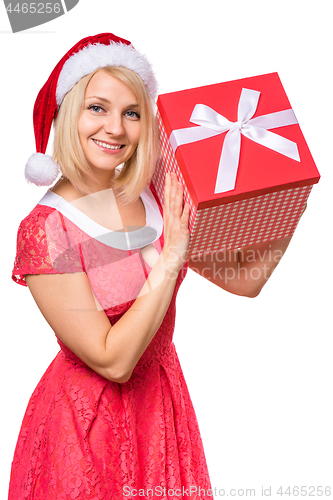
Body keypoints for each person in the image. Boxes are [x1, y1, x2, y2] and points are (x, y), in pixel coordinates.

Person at [9, 33, 297, 499]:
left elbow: (246, 281)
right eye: (97, 108)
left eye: (132, 113)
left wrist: (283, 203)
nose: (116, 129)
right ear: (66, 114)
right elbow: (113, 360)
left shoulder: (157, 192)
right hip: (87, 427)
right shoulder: (48, 229)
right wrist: (170, 257)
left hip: (163, 410)